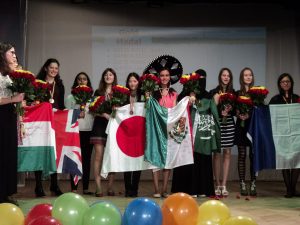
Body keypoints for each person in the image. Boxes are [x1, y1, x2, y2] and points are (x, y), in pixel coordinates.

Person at [172, 69, 220, 197]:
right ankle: (187, 189)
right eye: (199, 78)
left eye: (204, 78)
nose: (201, 82)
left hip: (202, 135)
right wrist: (189, 98)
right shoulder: (184, 95)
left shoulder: (208, 96)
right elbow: (178, 110)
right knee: (187, 160)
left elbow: (213, 115)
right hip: (187, 133)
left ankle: (203, 189)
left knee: (203, 160)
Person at [34, 58, 65, 197]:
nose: (54, 70)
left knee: (55, 152)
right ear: (46, 68)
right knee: (40, 152)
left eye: (56, 68)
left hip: (55, 123)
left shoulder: (59, 85)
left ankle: (54, 184)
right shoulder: (37, 83)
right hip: (41, 122)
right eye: (51, 67)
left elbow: (61, 105)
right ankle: (38, 186)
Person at [0, 42, 24, 204]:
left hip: (9, 116)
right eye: (12, 52)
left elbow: (18, 101)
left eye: (15, 53)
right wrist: (13, 99)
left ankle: (6, 192)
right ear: (2, 55)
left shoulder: (10, 75)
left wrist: (21, 122)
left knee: (9, 154)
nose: (15, 55)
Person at [269, 73, 300, 198]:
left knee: (297, 162)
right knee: (285, 162)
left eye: (288, 81)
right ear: (279, 84)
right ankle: (289, 189)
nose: (285, 83)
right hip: (281, 136)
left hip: (296, 135)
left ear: (291, 83)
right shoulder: (275, 99)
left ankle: (292, 189)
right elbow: (269, 114)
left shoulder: (297, 98)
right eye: (283, 82)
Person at [65, 72, 94, 195]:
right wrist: (77, 113)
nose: (82, 81)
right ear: (76, 82)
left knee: (86, 160)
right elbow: (67, 114)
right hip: (75, 132)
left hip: (89, 132)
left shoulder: (92, 98)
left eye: (84, 79)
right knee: (74, 159)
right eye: (79, 79)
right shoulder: (70, 97)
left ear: (88, 82)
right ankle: (74, 187)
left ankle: (86, 187)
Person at [151, 67, 177, 198]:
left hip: (170, 131)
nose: (164, 77)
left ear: (170, 77)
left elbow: (177, 111)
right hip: (156, 130)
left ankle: (165, 189)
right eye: (162, 75)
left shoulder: (174, 94)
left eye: (167, 75)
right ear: (158, 77)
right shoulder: (153, 94)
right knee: (156, 160)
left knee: (168, 160)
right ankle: (156, 189)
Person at [91, 68, 117, 197]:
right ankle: (98, 187)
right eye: (106, 74)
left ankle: (110, 187)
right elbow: (93, 109)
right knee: (98, 156)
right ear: (103, 77)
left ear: (114, 77)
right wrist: (104, 114)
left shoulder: (118, 92)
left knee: (112, 157)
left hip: (113, 127)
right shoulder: (98, 92)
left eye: (110, 74)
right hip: (99, 126)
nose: (108, 76)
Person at [210, 68, 235, 196]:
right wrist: (217, 104)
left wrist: (230, 111)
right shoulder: (214, 92)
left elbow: (236, 110)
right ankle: (217, 183)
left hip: (229, 125)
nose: (226, 77)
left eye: (228, 76)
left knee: (227, 153)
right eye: (224, 75)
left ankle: (224, 185)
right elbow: (210, 108)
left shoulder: (234, 93)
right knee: (216, 154)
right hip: (217, 124)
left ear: (230, 78)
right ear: (220, 77)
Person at [235, 67, 256, 196]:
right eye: (245, 75)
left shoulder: (257, 93)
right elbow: (233, 109)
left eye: (250, 75)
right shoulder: (237, 93)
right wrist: (238, 114)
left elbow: (258, 108)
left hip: (253, 126)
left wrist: (249, 114)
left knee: (253, 156)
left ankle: (253, 183)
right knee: (242, 155)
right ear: (242, 78)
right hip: (241, 126)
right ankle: (242, 183)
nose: (248, 77)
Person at [123, 72, 142, 197]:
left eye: (135, 81)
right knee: (126, 161)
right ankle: (127, 189)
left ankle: (134, 189)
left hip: (139, 133)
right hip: (125, 133)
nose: (132, 83)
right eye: (130, 81)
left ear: (138, 82)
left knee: (137, 161)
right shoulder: (122, 96)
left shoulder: (143, 96)